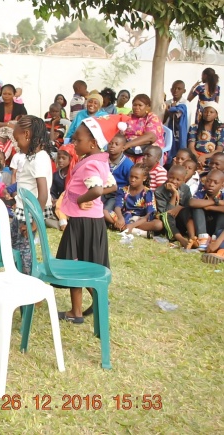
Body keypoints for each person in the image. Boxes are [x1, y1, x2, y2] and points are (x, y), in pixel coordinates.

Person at [56, 115, 122, 323]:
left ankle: (92, 302)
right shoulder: (99, 160)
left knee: (78, 265)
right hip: (91, 221)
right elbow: (112, 186)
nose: (73, 143)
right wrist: (91, 197)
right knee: (84, 264)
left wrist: (83, 199)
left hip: (82, 222)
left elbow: (97, 189)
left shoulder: (91, 164)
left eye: (77, 140)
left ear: (93, 143)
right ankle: (84, 306)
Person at [11, 115, 55, 274]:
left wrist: (35, 221)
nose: (16, 144)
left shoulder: (39, 159)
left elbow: (43, 194)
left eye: (17, 139)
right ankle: (17, 278)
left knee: (24, 250)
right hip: (24, 210)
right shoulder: (32, 157)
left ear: (27, 134)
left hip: (30, 214)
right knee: (15, 247)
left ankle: (29, 284)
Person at [105, 164, 157, 237]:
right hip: (124, 217)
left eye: (136, 178)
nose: (132, 179)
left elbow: (149, 214)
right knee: (104, 212)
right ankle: (137, 231)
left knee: (158, 224)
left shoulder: (148, 193)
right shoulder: (123, 190)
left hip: (139, 220)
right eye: (131, 176)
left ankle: (119, 227)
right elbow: (118, 207)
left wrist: (132, 225)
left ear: (144, 178)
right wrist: (120, 218)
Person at [151, 165, 193, 248]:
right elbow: (166, 213)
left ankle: (192, 237)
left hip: (181, 222)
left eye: (178, 179)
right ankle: (180, 239)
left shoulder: (185, 188)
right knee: (166, 215)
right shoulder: (159, 191)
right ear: (167, 176)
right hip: (168, 225)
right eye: (171, 177)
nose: (174, 181)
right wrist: (174, 194)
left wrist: (180, 207)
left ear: (184, 180)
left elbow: (188, 205)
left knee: (187, 211)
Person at [122, 94, 165, 161]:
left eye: (140, 105)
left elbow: (150, 137)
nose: (137, 107)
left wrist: (128, 145)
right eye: (134, 105)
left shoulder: (152, 117)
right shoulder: (129, 117)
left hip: (147, 150)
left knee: (140, 163)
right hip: (128, 150)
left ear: (147, 107)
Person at [190, 169, 224, 251]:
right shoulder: (201, 191)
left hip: (216, 226)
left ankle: (215, 239)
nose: (211, 184)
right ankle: (203, 238)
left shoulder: (222, 195)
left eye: (215, 183)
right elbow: (192, 202)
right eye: (208, 181)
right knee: (197, 207)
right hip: (203, 225)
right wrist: (215, 202)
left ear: (222, 185)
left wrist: (210, 206)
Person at [49, 144, 78, 230]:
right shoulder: (56, 175)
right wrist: (53, 199)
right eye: (59, 158)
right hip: (58, 204)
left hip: (72, 203)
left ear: (71, 159)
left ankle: (63, 222)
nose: (60, 160)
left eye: (64, 158)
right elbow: (52, 191)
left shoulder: (75, 175)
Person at [103, 132, 133, 214]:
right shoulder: (102, 157)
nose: (112, 146)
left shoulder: (127, 164)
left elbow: (130, 184)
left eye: (116, 144)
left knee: (106, 211)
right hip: (102, 190)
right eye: (110, 143)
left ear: (123, 148)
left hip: (116, 195)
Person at [187, 101, 223, 169]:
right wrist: (198, 158)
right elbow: (191, 146)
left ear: (216, 115)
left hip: (212, 159)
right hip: (195, 157)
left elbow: (219, 150)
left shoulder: (220, 130)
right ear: (202, 113)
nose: (208, 114)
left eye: (211, 112)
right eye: (206, 111)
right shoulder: (194, 127)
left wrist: (204, 157)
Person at [164, 80, 189, 161]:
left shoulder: (186, 104)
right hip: (168, 132)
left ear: (184, 91)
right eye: (174, 88)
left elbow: (185, 120)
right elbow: (162, 120)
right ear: (171, 90)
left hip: (180, 134)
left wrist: (172, 110)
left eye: (179, 88)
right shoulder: (166, 103)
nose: (176, 91)